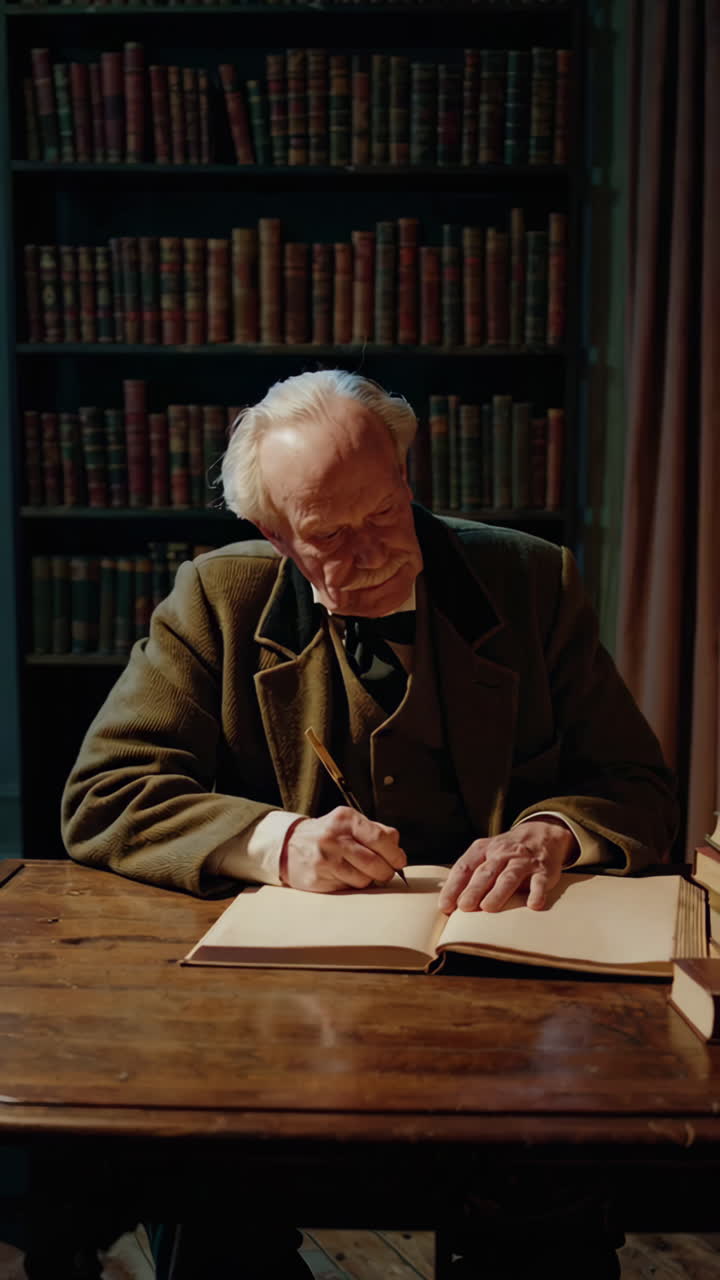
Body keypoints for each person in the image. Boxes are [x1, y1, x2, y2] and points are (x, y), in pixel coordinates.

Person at [62, 369, 677, 1279]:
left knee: (549, 1228)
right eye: (328, 537)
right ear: (275, 536)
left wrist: (553, 829)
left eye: (386, 514)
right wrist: (276, 841)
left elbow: (634, 782)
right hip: (272, 1017)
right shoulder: (217, 599)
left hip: (508, 1007)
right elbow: (106, 790)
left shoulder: (528, 579)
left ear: (407, 479)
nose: (376, 551)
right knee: (209, 1217)